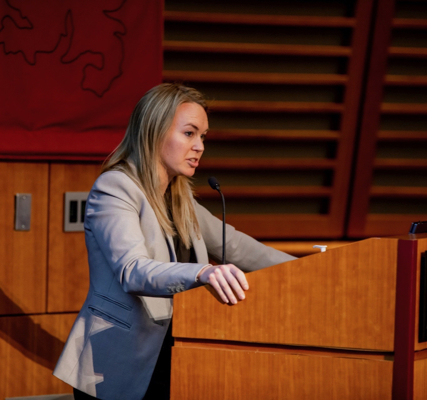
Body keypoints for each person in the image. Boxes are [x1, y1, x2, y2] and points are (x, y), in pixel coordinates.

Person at [53, 83, 296, 399]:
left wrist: (313, 267)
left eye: (203, 136)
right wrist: (202, 273)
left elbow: (235, 246)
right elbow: (132, 270)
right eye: (189, 133)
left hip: (175, 352)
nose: (200, 146)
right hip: (114, 361)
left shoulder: (181, 197)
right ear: (154, 131)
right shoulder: (114, 189)